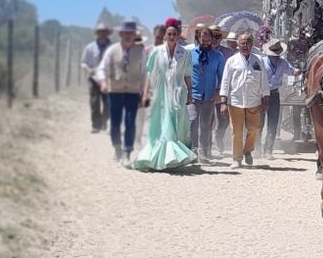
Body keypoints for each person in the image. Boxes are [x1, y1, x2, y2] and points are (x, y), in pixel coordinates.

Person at [133, 19, 197, 171]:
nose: (172, 36)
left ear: (178, 35)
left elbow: (187, 74)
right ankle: (163, 157)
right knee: (162, 123)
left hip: (178, 91)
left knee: (178, 123)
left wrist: (190, 92)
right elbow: (149, 73)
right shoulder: (156, 51)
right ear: (165, 36)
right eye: (169, 34)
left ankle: (174, 156)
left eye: (174, 34)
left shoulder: (185, 52)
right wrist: (146, 93)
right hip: (160, 91)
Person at [97, 20, 147, 166]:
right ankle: (117, 147)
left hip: (132, 91)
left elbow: (145, 72)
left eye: (131, 33)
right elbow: (102, 69)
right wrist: (103, 82)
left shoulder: (141, 51)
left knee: (131, 122)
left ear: (135, 34)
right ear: (120, 34)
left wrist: (144, 92)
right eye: (126, 33)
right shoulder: (112, 50)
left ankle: (127, 151)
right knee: (115, 123)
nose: (128, 36)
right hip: (115, 91)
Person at [222, 32, 268, 167]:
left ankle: (247, 150)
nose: (245, 45)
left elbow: (264, 79)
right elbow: (225, 81)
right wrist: (223, 101)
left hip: (254, 100)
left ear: (252, 44)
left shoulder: (258, 60)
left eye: (248, 42)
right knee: (236, 131)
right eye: (242, 43)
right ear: (238, 45)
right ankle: (237, 159)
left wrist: (266, 98)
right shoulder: (232, 61)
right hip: (235, 100)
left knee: (254, 128)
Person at [189, 26, 228, 161]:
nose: (205, 42)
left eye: (208, 39)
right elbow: (185, 75)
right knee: (193, 123)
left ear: (211, 40)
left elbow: (223, 77)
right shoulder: (190, 54)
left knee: (206, 125)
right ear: (198, 39)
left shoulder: (218, 57)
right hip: (193, 95)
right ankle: (193, 151)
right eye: (203, 39)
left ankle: (204, 152)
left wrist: (219, 93)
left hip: (210, 96)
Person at [260, 40, 294, 159]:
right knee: (259, 122)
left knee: (273, 123)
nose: (275, 57)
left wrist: (298, 71)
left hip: (274, 94)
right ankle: (257, 148)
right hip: (261, 94)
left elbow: (292, 71)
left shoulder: (283, 63)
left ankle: (268, 150)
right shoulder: (261, 62)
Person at [81, 23, 114, 132]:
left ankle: (105, 123)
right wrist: (88, 69)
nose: (102, 34)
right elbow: (83, 62)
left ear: (107, 33)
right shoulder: (90, 47)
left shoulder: (113, 47)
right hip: (93, 78)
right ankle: (96, 125)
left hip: (108, 78)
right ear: (97, 33)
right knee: (94, 102)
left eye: (104, 31)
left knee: (107, 102)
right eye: (100, 31)